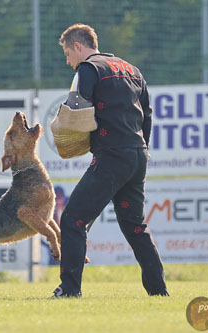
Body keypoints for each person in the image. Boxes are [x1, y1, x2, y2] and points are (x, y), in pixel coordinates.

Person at [51, 23, 168, 297]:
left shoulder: (89, 69)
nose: (68, 61)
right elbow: (147, 115)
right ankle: (158, 292)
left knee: (72, 220)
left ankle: (69, 290)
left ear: (79, 46)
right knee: (136, 226)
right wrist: (142, 149)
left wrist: (63, 131)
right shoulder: (133, 70)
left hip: (112, 155)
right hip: (137, 154)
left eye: (68, 54)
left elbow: (78, 108)